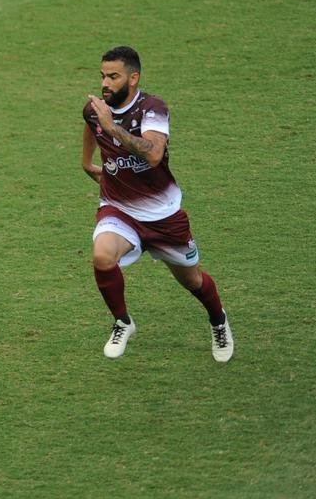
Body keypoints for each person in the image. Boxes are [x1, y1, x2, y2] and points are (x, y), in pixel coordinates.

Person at [81, 46, 234, 362]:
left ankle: (218, 320)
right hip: (119, 208)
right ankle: (123, 321)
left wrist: (112, 127)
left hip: (164, 216)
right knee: (102, 255)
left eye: (113, 76)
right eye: (102, 76)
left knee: (192, 280)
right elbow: (90, 122)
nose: (105, 84)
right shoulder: (98, 109)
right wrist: (86, 162)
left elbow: (152, 154)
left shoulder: (153, 109)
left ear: (133, 78)